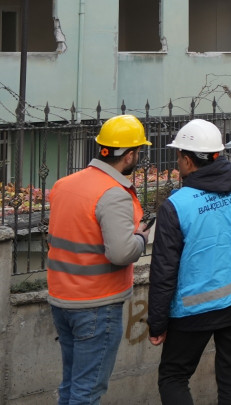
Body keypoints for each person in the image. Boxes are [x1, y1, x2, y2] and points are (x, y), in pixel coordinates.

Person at [146, 118, 231, 405]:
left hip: (194, 310)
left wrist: (157, 324)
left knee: (173, 376)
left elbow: (164, 271)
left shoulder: (176, 205)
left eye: (178, 156)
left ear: (187, 160)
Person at [47, 114, 152, 405]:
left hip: (62, 299)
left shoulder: (64, 184)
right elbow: (120, 253)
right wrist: (141, 238)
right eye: (139, 152)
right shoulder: (113, 194)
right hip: (97, 305)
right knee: (87, 391)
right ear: (129, 155)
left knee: (70, 385)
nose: (139, 157)